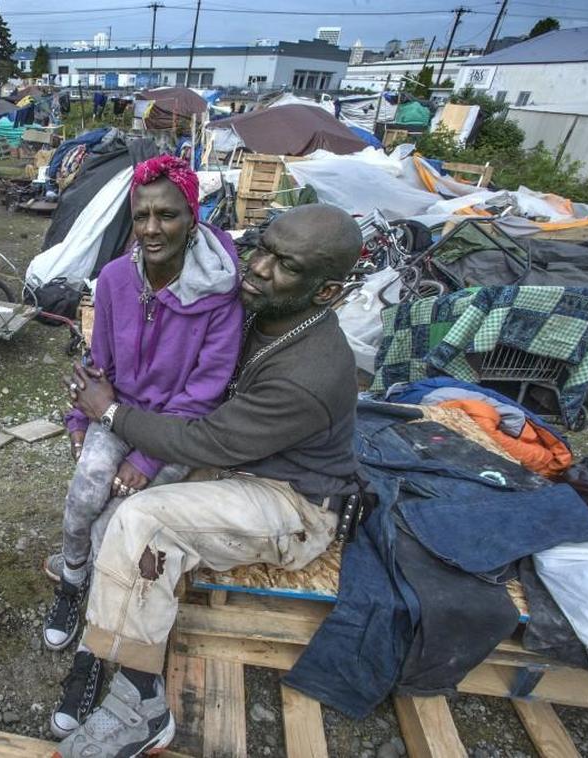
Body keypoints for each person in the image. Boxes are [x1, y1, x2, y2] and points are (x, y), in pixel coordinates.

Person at [55, 204, 365, 758]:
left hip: (290, 501)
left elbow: (205, 441)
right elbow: (191, 235)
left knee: (141, 521)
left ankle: (140, 708)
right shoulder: (257, 307)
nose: (261, 267)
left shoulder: (312, 372)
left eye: (285, 265)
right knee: (106, 510)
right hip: (240, 462)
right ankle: (97, 630)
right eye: (263, 247)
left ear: (326, 291)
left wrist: (109, 413)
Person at [45, 155, 244, 738]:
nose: (153, 228)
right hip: (116, 413)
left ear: (192, 216)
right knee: (85, 493)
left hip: (176, 431)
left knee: (118, 527)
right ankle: (72, 579)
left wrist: (147, 459)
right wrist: (78, 417)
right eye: (142, 216)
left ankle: (92, 652)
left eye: (168, 215)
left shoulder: (219, 297)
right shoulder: (113, 280)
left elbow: (203, 395)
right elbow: (98, 362)